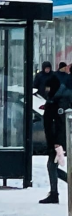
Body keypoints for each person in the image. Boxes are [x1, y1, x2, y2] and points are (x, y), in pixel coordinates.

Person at [41, 74, 72, 204]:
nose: (46, 90)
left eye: (48, 87)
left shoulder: (59, 101)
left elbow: (60, 123)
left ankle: (54, 193)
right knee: (52, 166)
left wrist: (58, 142)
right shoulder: (53, 99)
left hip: (56, 140)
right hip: (53, 139)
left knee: (51, 165)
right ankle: (54, 192)